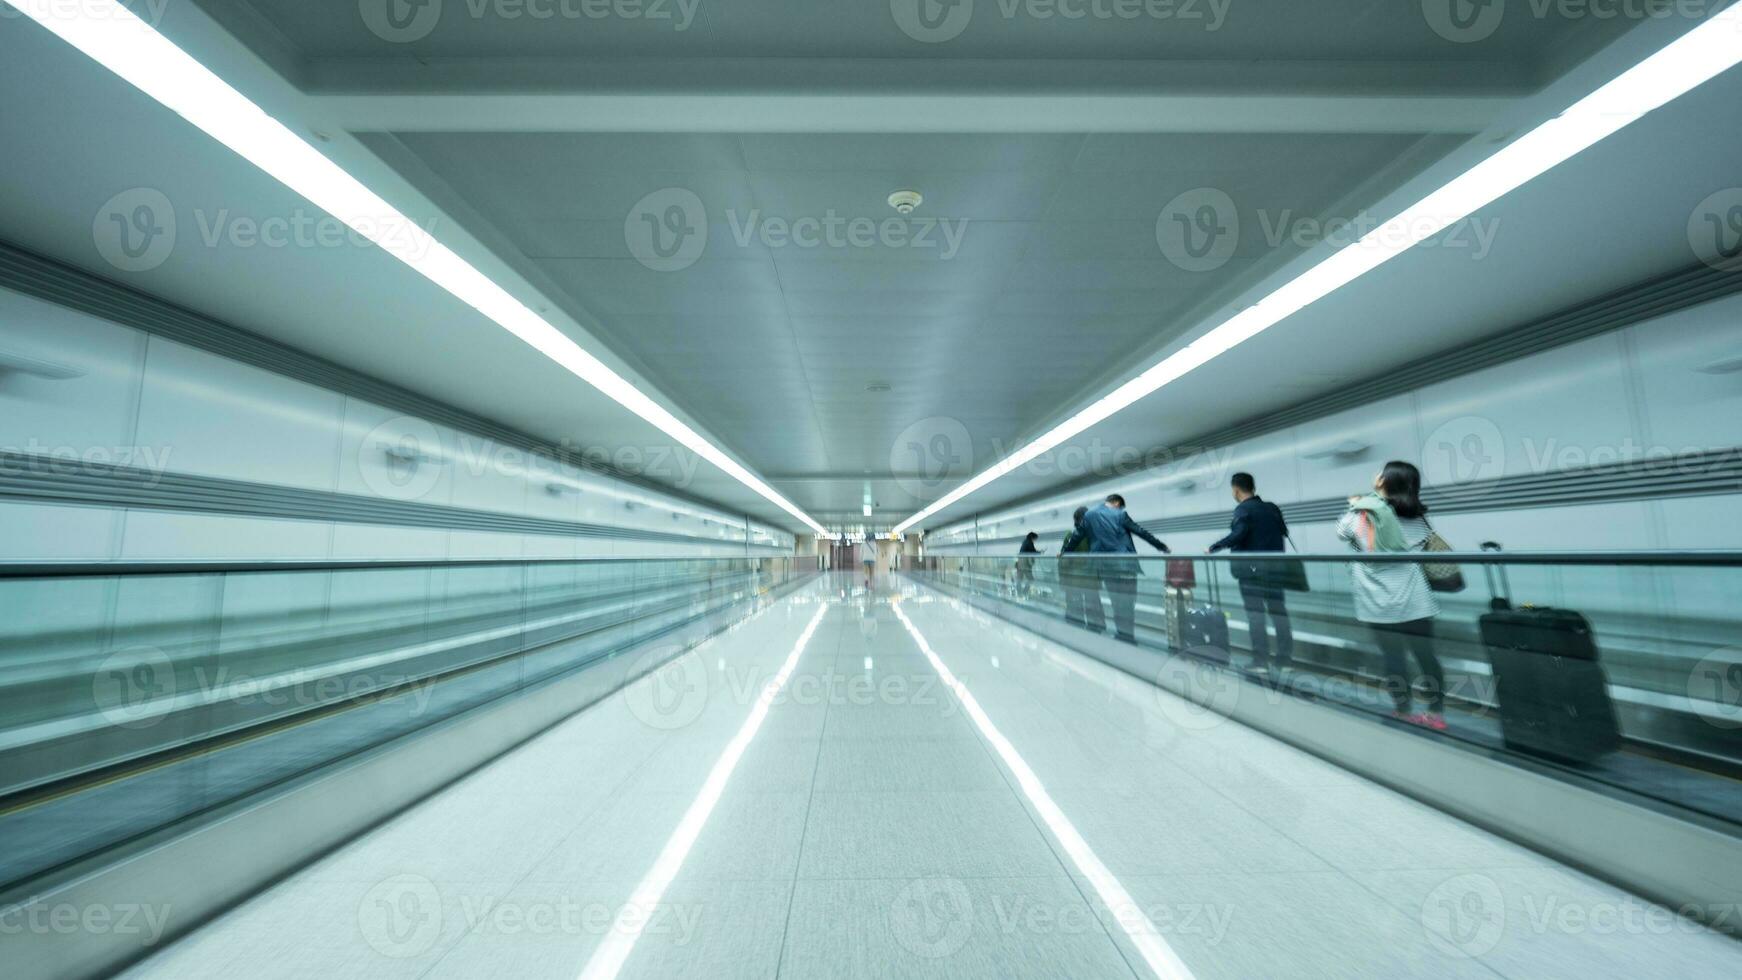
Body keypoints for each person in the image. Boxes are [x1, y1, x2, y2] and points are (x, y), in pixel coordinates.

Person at [1336, 461, 1447, 730]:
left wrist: (1360, 502)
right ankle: (1436, 713)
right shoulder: (1418, 517)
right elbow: (1422, 544)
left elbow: (1342, 533)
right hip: (1416, 600)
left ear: (1383, 481)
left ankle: (1403, 710)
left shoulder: (1363, 514)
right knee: (1426, 656)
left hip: (1379, 603)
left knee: (1393, 657)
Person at [1208, 472, 1294, 677]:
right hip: (1275, 570)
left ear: (1236, 490)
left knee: (1256, 616)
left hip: (1251, 573)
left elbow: (1239, 534)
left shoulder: (1243, 510)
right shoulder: (1272, 508)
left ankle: (1260, 661)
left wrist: (1215, 547)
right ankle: (1285, 661)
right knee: (1279, 614)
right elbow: (1284, 531)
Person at [1066, 494, 1170, 644]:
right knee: (1128, 603)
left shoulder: (1089, 515)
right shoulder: (1120, 514)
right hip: (1126, 566)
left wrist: (1065, 553)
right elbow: (1141, 532)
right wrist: (1162, 547)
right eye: (1121, 506)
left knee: (1116, 602)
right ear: (1116, 503)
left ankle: (1122, 635)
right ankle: (1127, 637)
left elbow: (1076, 536)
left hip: (1106, 567)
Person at [1059, 507, 1105, 633]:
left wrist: (1063, 581)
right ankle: (1095, 632)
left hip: (1075, 581)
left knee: (1075, 610)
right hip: (1092, 582)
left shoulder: (1071, 536)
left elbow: (1063, 561)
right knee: (1093, 608)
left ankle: (1077, 632)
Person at [1016, 531, 1040, 596]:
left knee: (1019, 579)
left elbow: (1030, 551)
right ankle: (1024, 592)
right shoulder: (1029, 542)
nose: (1035, 540)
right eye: (1035, 539)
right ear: (1032, 537)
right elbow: (1033, 552)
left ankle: (1018, 593)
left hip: (1019, 562)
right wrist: (1040, 552)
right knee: (1031, 579)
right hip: (1025, 563)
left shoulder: (1025, 541)